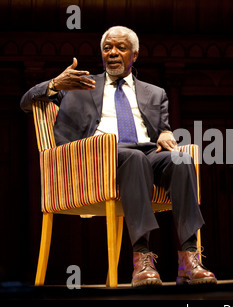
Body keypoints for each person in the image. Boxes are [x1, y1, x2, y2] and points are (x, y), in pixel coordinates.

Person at [20, 26, 217, 287]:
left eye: (120, 48)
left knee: (181, 159)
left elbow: (162, 131)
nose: (112, 52)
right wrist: (55, 84)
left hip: (147, 152)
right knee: (132, 159)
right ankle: (142, 258)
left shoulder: (155, 93)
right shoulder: (81, 85)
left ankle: (189, 259)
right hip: (98, 157)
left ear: (134, 54)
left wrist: (165, 133)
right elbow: (26, 102)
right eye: (107, 48)